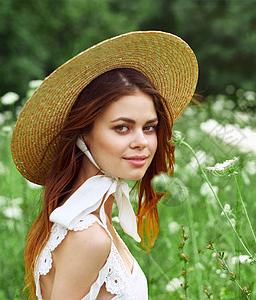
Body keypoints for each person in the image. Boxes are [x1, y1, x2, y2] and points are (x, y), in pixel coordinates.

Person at [11, 31, 198, 300]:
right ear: (83, 133)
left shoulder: (85, 219)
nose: (141, 142)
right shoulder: (89, 237)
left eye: (149, 127)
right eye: (122, 128)